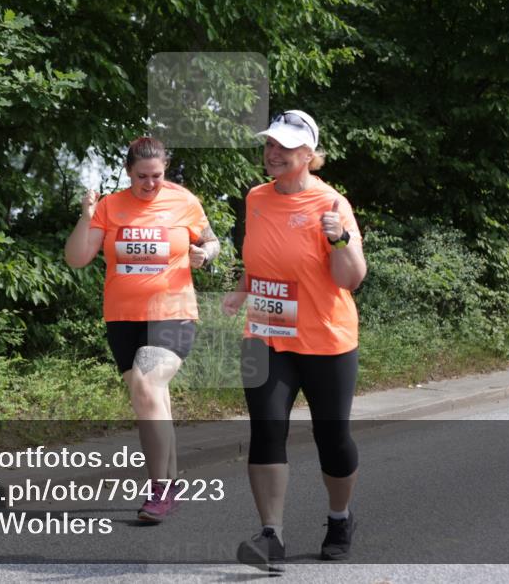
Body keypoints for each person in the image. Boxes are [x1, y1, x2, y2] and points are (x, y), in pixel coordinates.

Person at [222, 110, 367, 572]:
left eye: (285, 147)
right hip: (266, 330)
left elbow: (353, 278)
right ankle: (271, 536)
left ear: (309, 155)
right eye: (269, 145)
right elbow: (264, 255)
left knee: (333, 437)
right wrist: (244, 287)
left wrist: (340, 240)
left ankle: (340, 518)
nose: (273, 153)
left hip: (325, 336)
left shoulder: (332, 204)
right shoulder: (256, 198)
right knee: (265, 430)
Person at [65, 136, 219, 523]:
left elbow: (212, 241)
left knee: (148, 384)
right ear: (128, 171)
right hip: (122, 317)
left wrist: (206, 254)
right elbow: (78, 258)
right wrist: (86, 215)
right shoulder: (110, 206)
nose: (151, 184)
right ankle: (170, 482)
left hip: (173, 311)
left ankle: (159, 489)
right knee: (151, 397)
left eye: (157, 176)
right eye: (142, 177)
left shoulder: (183, 200)